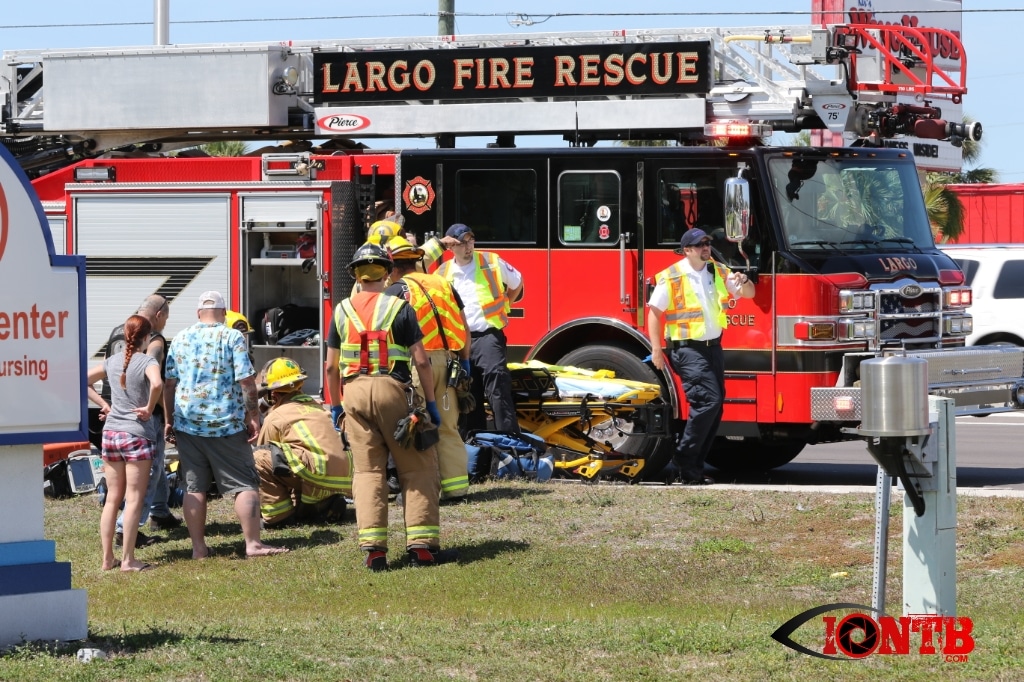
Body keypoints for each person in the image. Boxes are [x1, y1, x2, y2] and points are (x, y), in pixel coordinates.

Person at [325, 243, 456, 571]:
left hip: (353, 394)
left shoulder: (340, 311)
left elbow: (330, 368)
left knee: (368, 472)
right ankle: (422, 548)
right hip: (393, 391)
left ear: (356, 274)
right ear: (387, 272)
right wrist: (429, 404)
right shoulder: (400, 308)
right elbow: (422, 362)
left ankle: (374, 550)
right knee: (418, 468)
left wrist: (335, 406)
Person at [163, 291, 289, 559]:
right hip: (226, 425)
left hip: (188, 424)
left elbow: (170, 384)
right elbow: (246, 381)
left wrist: (169, 420)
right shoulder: (231, 336)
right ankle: (253, 544)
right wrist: (253, 416)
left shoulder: (180, 338)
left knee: (194, 487)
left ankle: (198, 549)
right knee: (244, 484)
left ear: (199, 313)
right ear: (223, 313)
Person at [646, 228, 756, 485]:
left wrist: (745, 281)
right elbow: (654, 314)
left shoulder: (717, 270)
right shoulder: (672, 277)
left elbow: (748, 294)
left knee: (715, 407)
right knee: (708, 402)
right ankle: (684, 458)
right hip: (686, 349)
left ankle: (691, 470)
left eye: (707, 243)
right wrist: (656, 349)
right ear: (687, 250)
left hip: (712, 348)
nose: (706, 248)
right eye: (699, 245)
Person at [385, 235, 472, 502]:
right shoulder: (443, 283)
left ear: (394, 267)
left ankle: (420, 489)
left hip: (417, 365)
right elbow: (464, 326)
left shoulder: (396, 290)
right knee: (448, 426)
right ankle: (456, 488)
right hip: (449, 363)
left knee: (418, 425)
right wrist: (465, 361)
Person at [101, 295, 180, 549]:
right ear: (158, 315)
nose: (165, 323)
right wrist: (165, 413)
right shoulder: (154, 339)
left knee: (153, 470)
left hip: (115, 413)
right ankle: (128, 528)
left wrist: (108, 404)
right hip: (142, 418)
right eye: (166, 318)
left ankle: (160, 511)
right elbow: (153, 378)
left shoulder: (118, 332)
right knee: (150, 472)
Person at [86, 314, 163, 572]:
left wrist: (105, 404)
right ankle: (128, 560)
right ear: (145, 338)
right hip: (136, 435)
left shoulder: (111, 361)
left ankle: (108, 559)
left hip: (110, 435)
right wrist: (149, 408)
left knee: (112, 499)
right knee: (134, 498)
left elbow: (83, 381)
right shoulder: (147, 360)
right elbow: (157, 383)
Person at [435, 223, 523, 433]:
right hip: (459, 342)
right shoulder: (442, 272)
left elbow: (517, 282)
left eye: (471, 240)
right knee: (467, 396)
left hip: (487, 337)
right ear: (450, 247)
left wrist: (505, 304)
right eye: (462, 242)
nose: (468, 246)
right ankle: (476, 452)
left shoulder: (491, 261)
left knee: (498, 388)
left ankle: (509, 442)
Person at [253, 357, 352, 527]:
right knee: (293, 455)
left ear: (273, 394)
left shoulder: (276, 416)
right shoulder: (316, 407)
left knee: (258, 458)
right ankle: (320, 506)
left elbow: (265, 452)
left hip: (317, 472)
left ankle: (278, 517)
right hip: (344, 476)